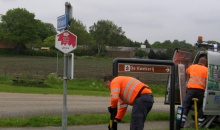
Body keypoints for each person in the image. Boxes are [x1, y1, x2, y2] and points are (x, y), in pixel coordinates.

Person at [181, 56, 208, 127]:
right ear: (205, 63)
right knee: (200, 106)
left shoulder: (192, 67)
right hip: (201, 91)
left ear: (198, 61)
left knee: (186, 104)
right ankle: (200, 123)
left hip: (191, 90)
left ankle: (182, 121)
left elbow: (187, 71)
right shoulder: (206, 69)